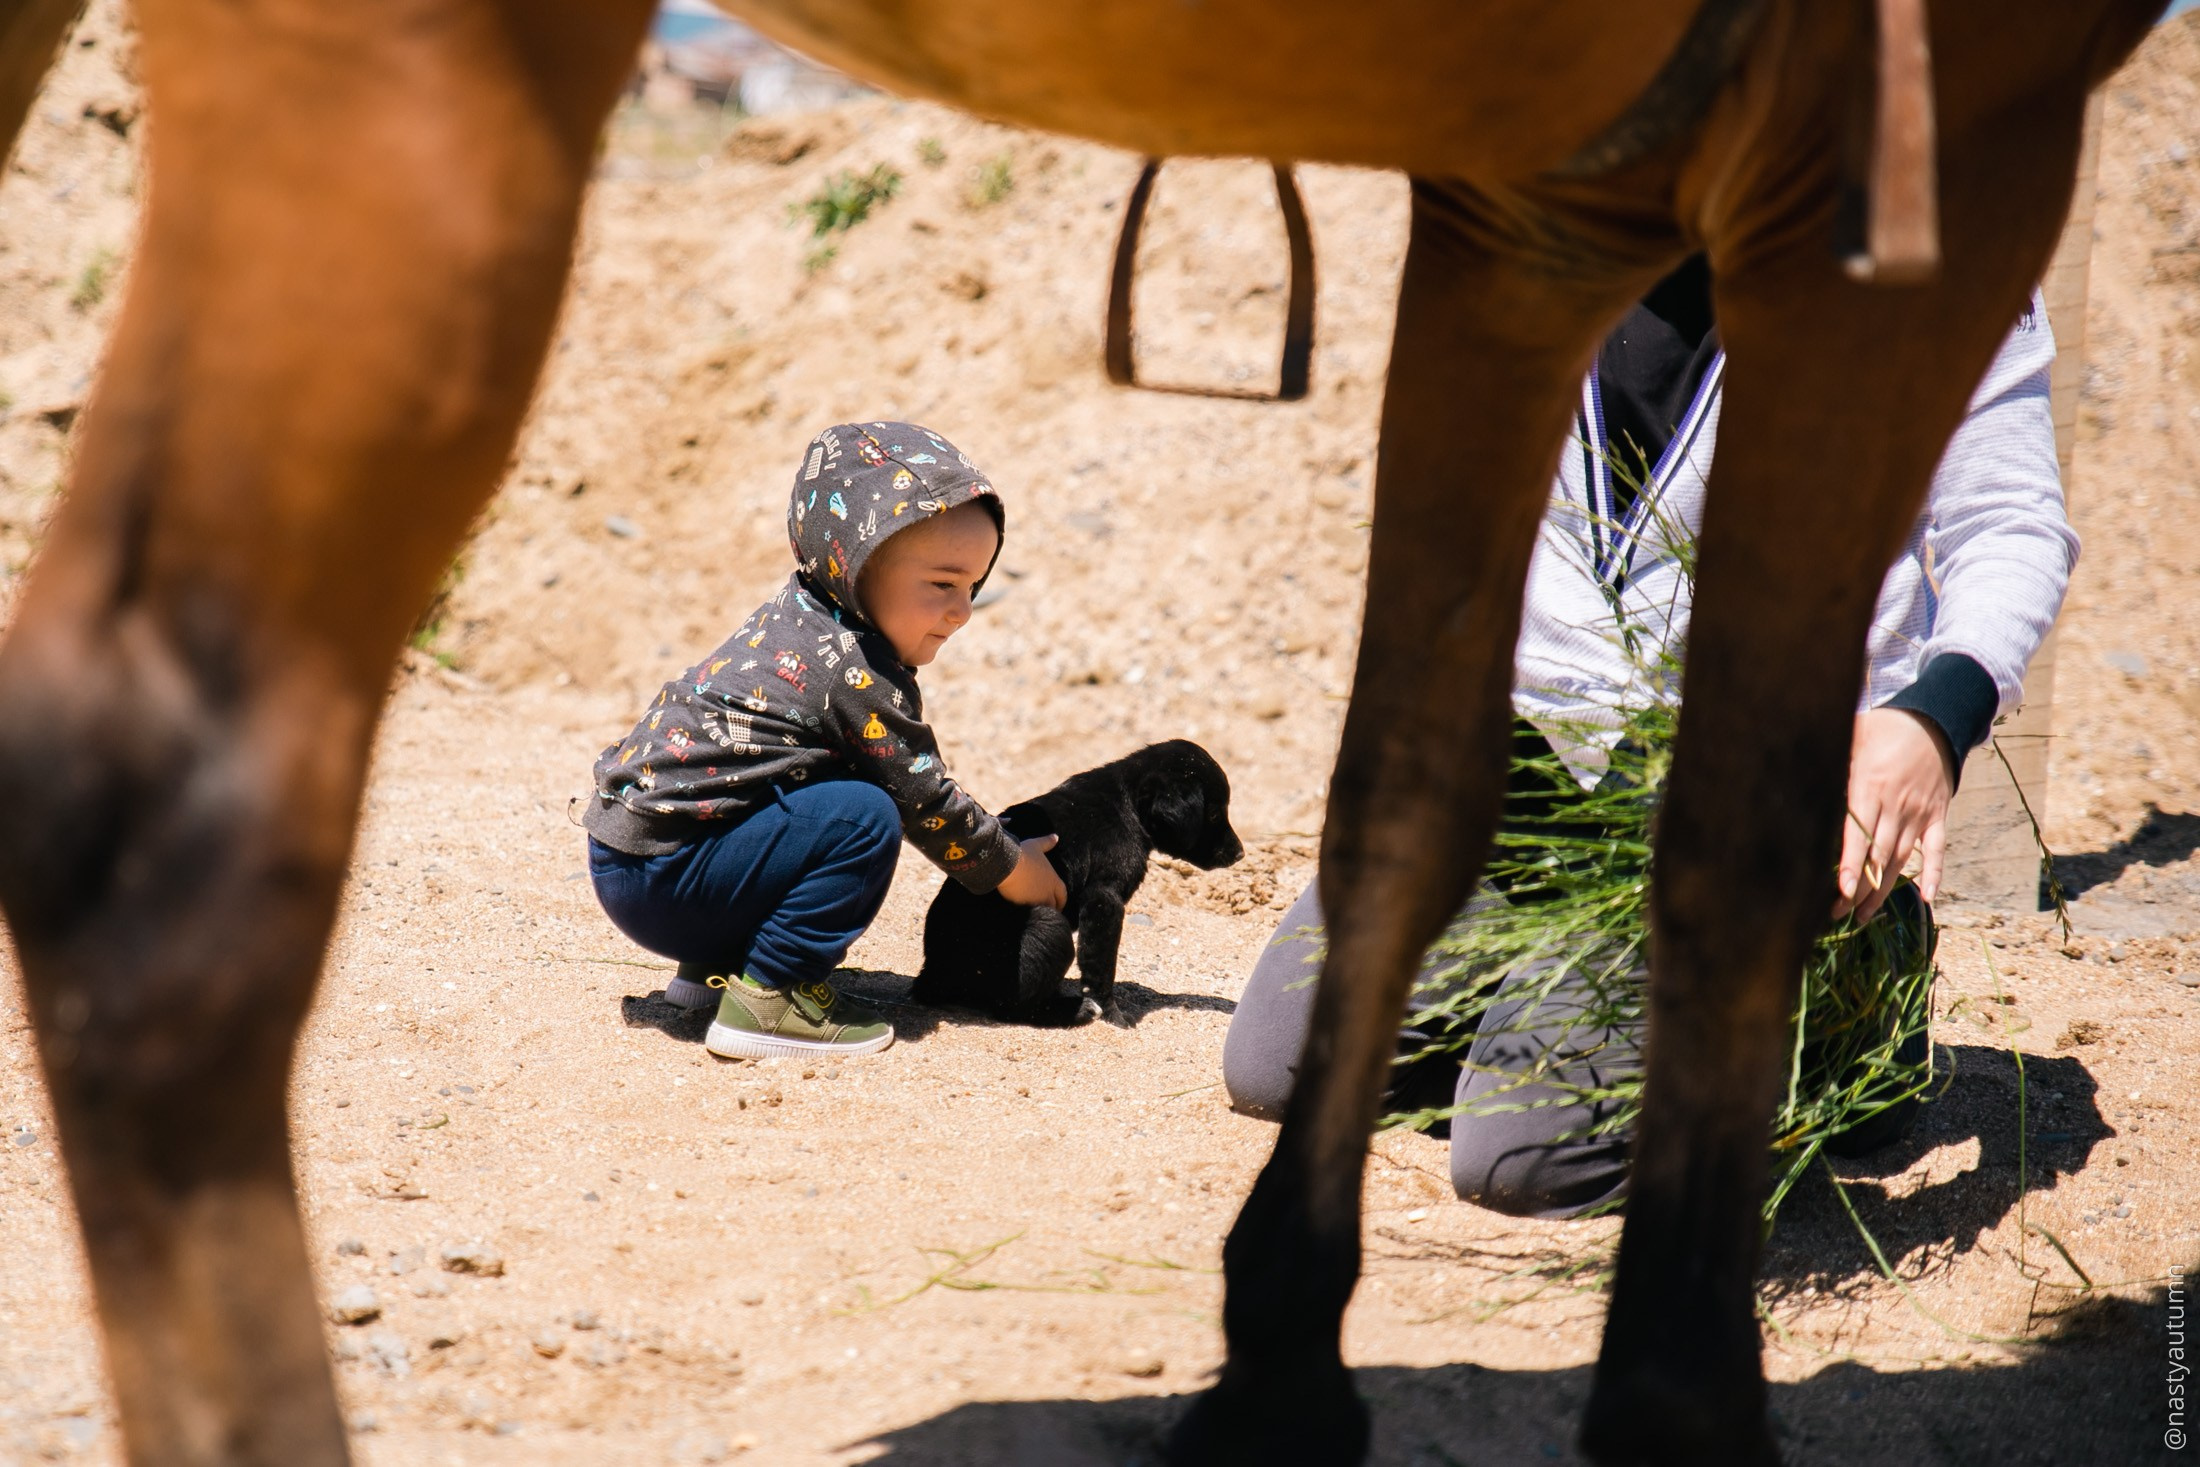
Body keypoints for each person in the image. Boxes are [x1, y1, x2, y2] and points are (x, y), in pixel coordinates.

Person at [1222, 257, 2078, 1217]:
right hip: (1535, 772)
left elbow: (2011, 523)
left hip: (1765, 795)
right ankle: (1581, 1005)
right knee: (1280, 1062)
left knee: (1524, 1158)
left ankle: (1848, 1004)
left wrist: (1934, 720)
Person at [581, 421, 1066, 1061]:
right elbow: (925, 796)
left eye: (973, 587)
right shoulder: (851, 667)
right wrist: (1010, 868)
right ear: (859, 567)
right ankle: (768, 1000)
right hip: (668, 881)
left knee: (808, 792)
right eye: (943, 584)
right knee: (861, 813)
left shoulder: (801, 614)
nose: (963, 611)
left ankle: (713, 974)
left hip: (636, 862)